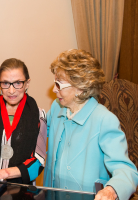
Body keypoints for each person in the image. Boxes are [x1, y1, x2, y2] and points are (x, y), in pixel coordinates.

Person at [43, 49, 138, 200]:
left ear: (80, 88)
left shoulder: (104, 120)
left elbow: (125, 169)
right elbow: (40, 133)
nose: (54, 89)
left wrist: (112, 190)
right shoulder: (56, 107)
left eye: (58, 84)